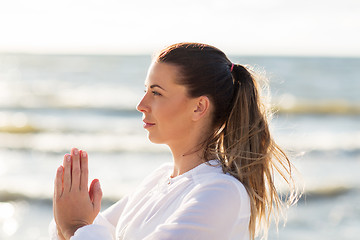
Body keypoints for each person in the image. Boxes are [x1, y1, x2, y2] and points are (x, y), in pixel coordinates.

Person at [50, 43, 298, 240]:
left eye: (156, 92)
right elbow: (88, 229)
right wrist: (72, 221)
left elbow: (82, 230)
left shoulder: (221, 192)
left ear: (199, 107)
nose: (141, 104)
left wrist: (76, 226)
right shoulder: (161, 178)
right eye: (145, 90)